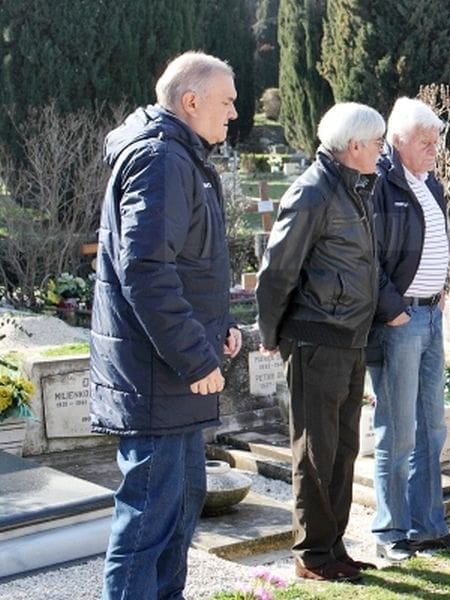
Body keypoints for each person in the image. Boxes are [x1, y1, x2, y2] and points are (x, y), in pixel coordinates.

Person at [90, 51, 243, 600]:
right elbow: (147, 271)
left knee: (176, 517)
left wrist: (218, 328)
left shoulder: (183, 156)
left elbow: (187, 263)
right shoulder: (162, 159)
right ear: (191, 100)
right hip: (159, 377)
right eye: (226, 101)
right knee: (147, 528)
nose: (233, 113)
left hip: (171, 376)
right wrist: (196, 357)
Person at [256, 102, 386, 582]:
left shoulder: (353, 189)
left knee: (344, 448)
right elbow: (277, 271)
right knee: (316, 450)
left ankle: (334, 546)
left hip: (350, 337)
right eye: (377, 142)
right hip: (316, 338)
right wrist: (269, 332)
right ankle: (312, 554)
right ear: (354, 147)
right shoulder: (312, 192)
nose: (380, 150)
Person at [367, 97, 450, 562]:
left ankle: (430, 525)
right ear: (398, 140)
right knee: (398, 430)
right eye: (426, 141)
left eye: (437, 140)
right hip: (400, 320)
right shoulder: (379, 183)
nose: (435, 149)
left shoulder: (429, 183)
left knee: (433, 427)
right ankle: (391, 532)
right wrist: (393, 309)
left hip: (431, 316)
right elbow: (366, 255)